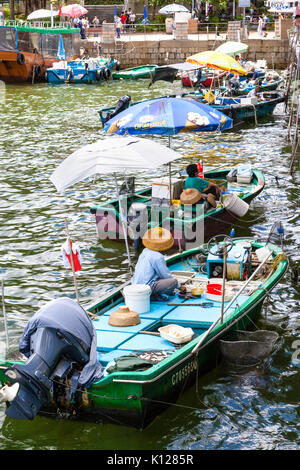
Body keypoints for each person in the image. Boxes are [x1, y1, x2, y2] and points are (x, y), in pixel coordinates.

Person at [131, 227, 178, 300]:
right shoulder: (158, 257)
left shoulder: (145, 251)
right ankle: (152, 295)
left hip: (135, 284)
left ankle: (154, 294)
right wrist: (179, 286)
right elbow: (166, 276)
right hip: (146, 287)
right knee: (173, 282)